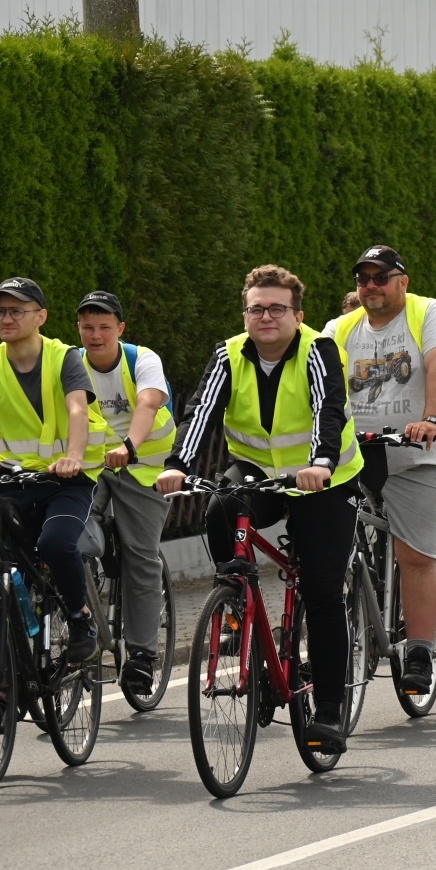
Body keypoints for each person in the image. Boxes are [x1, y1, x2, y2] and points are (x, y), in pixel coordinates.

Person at [158, 265, 360, 753]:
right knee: (220, 508)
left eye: (276, 308)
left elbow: (325, 409)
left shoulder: (318, 349)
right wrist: (177, 463)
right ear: (245, 313)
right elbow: (201, 410)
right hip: (256, 470)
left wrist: (321, 461)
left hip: (323, 479)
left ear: (297, 314)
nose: (265, 316)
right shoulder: (229, 354)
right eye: (256, 308)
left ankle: (330, 709)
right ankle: (236, 606)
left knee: (322, 590)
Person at [330, 246, 436, 697]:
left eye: (381, 277)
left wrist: (431, 419)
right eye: (363, 278)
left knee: (414, 554)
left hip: (417, 453)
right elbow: (322, 382)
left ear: (402, 282)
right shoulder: (340, 328)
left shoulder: (428, 312)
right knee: (325, 553)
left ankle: (418, 649)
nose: (371, 285)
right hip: (355, 455)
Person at [0, 278, 110, 664]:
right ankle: (3, 689)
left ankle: (81, 619)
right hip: (12, 480)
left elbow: (78, 409)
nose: (7, 317)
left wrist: (74, 457)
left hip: (66, 479)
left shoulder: (64, 358)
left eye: (17, 310)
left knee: (55, 543)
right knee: (5, 573)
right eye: (1, 311)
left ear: (41, 316)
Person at [75, 290, 176, 699]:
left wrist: (130, 447)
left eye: (103, 327)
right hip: (94, 464)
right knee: (71, 534)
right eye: (87, 327)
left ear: (120, 329)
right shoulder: (71, 363)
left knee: (141, 554)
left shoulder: (141, 360)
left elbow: (149, 405)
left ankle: (140, 655)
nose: (95, 335)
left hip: (142, 465)